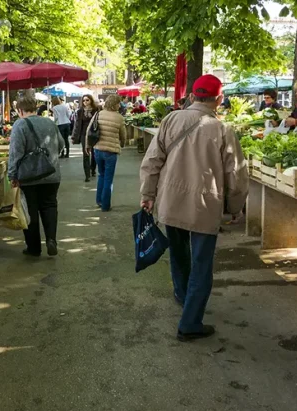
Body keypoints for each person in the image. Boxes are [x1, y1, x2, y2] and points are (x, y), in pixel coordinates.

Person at [139, 74, 249, 342]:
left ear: (191, 96)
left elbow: (152, 160)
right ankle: (190, 323)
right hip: (204, 206)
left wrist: (148, 194)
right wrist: (235, 208)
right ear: (219, 100)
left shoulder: (170, 120)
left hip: (171, 200)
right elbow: (236, 175)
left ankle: (182, 293)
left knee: (178, 253)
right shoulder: (223, 130)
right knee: (202, 264)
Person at [8, 91, 65, 257]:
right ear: (35, 108)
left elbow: (15, 153)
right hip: (51, 173)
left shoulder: (20, 125)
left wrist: (12, 176)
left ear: (20, 110)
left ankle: (33, 248)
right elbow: (61, 145)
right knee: (49, 206)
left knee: (30, 210)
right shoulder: (49, 122)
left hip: (29, 177)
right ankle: (51, 239)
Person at [87, 94, 125, 211]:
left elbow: (89, 130)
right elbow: (123, 135)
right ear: (115, 104)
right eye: (119, 103)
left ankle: (99, 200)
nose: (120, 105)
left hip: (98, 150)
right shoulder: (119, 117)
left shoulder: (98, 114)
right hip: (111, 152)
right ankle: (105, 205)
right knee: (108, 178)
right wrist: (122, 144)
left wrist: (88, 146)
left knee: (101, 175)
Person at [72, 94, 99, 182]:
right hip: (84, 135)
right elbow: (77, 125)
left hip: (94, 134)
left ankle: (93, 169)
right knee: (86, 154)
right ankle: (87, 175)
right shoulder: (80, 111)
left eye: (87, 100)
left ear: (91, 100)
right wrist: (74, 136)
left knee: (94, 153)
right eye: (84, 100)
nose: (85, 102)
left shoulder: (96, 110)